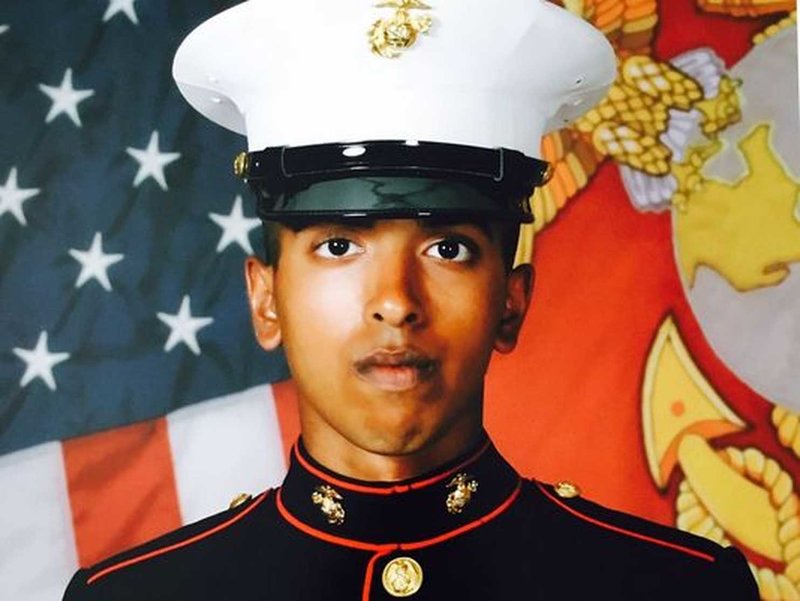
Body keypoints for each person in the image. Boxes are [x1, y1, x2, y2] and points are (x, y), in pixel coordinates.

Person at [63, 1, 760, 599]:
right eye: (340, 245)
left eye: (447, 248)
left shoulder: (678, 588)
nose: (395, 302)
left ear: (512, 302)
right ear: (266, 300)